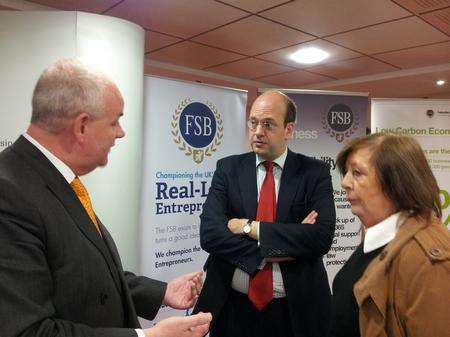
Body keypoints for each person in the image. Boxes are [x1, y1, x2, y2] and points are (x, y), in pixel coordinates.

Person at [0, 59, 211, 337]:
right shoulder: (9, 193)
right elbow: (27, 331)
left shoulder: (52, 178)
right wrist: (149, 336)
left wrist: (160, 292)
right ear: (82, 126)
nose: (121, 132)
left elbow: (82, 276)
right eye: (115, 121)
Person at [193, 90, 336, 337]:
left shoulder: (314, 173)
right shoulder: (228, 169)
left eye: (268, 124)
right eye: (253, 122)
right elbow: (210, 235)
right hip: (232, 308)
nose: (258, 131)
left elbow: (320, 238)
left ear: (288, 130)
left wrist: (249, 228)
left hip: (295, 312)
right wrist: (281, 249)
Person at [330, 133, 450, 337]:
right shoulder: (380, 237)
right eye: (347, 172)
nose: (345, 182)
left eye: (357, 173)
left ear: (396, 183)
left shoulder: (427, 261)